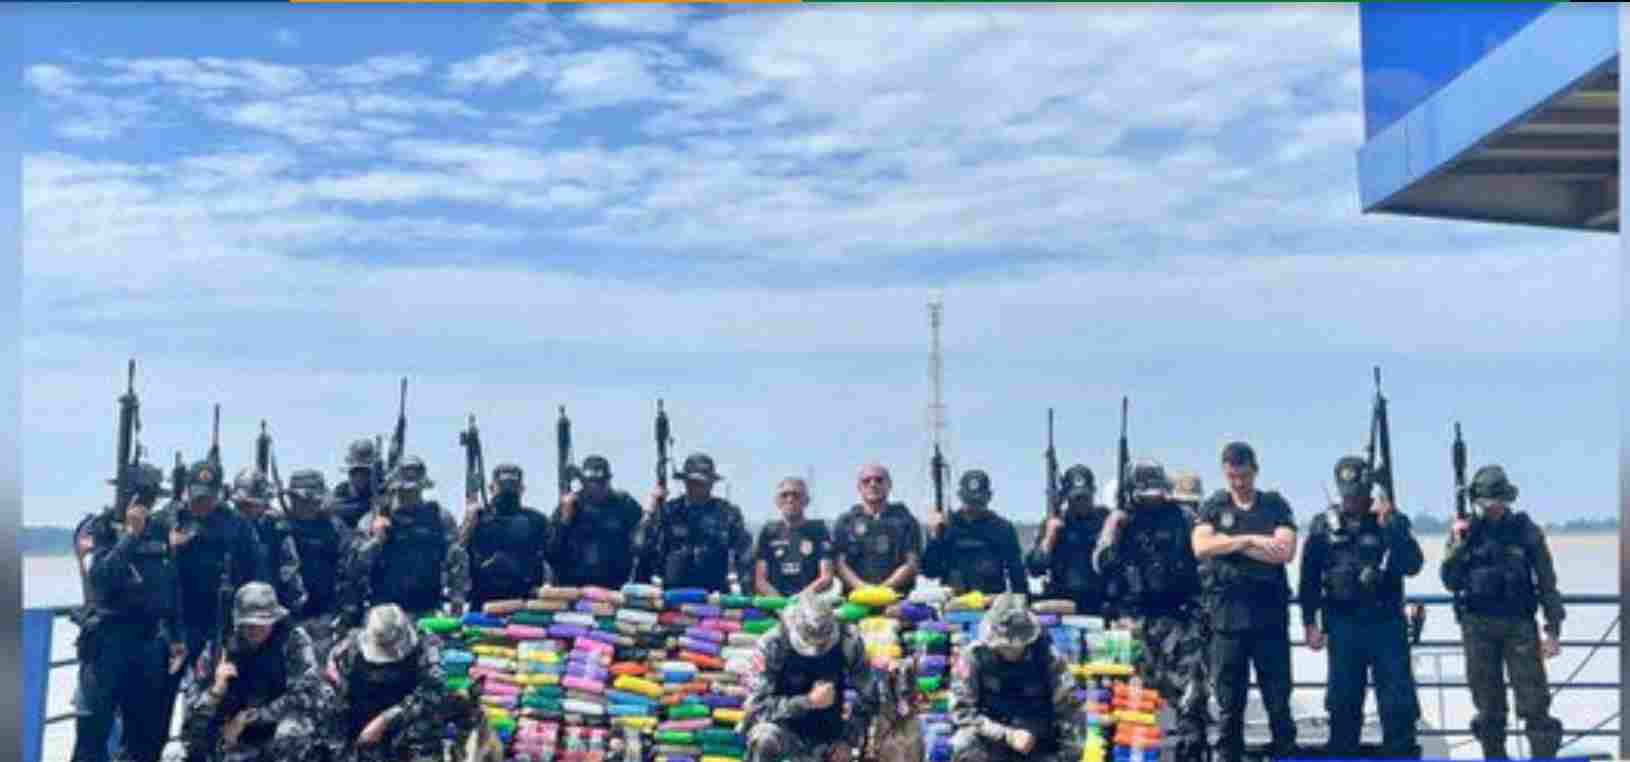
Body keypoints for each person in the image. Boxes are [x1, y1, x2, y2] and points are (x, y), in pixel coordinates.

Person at [1298, 455, 1425, 759]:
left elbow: (1412, 565)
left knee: (1397, 708)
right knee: (1343, 706)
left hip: (1386, 626)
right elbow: (1309, 579)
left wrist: (1391, 525)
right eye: (1346, 495)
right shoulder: (1323, 525)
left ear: (1368, 491)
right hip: (1343, 627)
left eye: (1356, 495)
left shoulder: (1391, 520)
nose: (1350, 501)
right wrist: (1309, 622)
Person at [1441, 464, 1566, 759]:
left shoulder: (1525, 531)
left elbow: (1547, 582)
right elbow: (1449, 580)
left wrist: (1553, 629)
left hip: (1519, 625)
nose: (1492, 509)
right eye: (1486, 503)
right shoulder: (1466, 532)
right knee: (1488, 706)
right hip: (1478, 627)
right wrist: (1458, 544)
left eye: (1496, 502)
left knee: (1534, 702)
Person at [1093, 459, 1209, 762]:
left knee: (1192, 699)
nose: (1152, 498)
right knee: (1132, 704)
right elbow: (1101, 564)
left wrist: (1199, 615)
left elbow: (1204, 565)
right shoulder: (1122, 521)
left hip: (1178, 619)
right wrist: (1112, 526)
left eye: (1157, 491)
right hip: (1133, 622)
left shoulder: (1182, 517)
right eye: (1146, 492)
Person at [1191, 441, 1297, 762]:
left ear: (1255, 470)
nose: (1238, 483)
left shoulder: (1274, 505)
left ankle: (1284, 755)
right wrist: (1251, 540)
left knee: (1278, 702)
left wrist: (1228, 543)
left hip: (1269, 621)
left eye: (1244, 475)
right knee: (1229, 705)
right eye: (1232, 476)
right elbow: (1201, 547)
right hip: (1227, 621)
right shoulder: (1215, 505)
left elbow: (1284, 552)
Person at [71, 462, 185, 762]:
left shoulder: (160, 530)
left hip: (147, 645)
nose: (146, 503)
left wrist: (176, 635)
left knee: (142, 740)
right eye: (141, 495)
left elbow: (170, 585)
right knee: (92, 736)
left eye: (151, 497)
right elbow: (100, 579)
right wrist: (130, 535)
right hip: (106, 644)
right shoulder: (100, 528)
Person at [162, 460, 271, 744]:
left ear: (219, 494)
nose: (201, 504)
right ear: (186, 491)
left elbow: (258, 579)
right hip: (172, 630)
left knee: (209, 704)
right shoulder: (168, 520)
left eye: (208, 498)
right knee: (155, 710)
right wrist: (167, 546)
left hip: (217, 630)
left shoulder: (237, 526)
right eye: (196, 497)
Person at [180, 582, 330, 762]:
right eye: (248, 623)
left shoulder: (293, 639)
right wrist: (216, 690)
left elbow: (306, 696)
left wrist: (249, 718)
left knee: (291, 733)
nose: (255, 629)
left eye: (263, 623)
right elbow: (191, 717)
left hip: (275, 721)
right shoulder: (219, 648)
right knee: (194, 743)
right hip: (233, 728)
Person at [741, 591, 879, 762]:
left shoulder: (848, 640)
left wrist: (848, 740)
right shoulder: (772, 644)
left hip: (829, 735)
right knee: (764, 738)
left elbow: (869, 696)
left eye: (822, 645)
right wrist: (808, 702)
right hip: (784, 731)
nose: (817, 651)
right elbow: (756, 709)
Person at [949, 592, 1080, 762]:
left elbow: (1070, 710)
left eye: (1017, 647)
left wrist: (1067, 753)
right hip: (993, 738)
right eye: (1004, 647)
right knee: (964, 742)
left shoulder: (1048, 658)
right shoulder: (974, 657)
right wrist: (1007, 735)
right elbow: (962, 712)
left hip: (1038, 741)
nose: (1011, 652)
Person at [340, 456, 469, 625]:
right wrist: (376, 540)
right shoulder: (372, 519)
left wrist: (457, 598)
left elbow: (457, 559)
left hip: (428, 611)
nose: (409, 496)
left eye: (414, 491)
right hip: (384, 613)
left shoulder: (440, 518)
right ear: (393, 488)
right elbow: (353, 567)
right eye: (403, 491)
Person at [324, 604, 452, 762]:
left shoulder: (427, 646)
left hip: (409, 725)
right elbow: (335, 702)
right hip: (362, 728)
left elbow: (434, 693)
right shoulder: (349, 650)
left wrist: (386, 719)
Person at [635, 453, 753, 592]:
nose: (696, 487)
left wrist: (745, 590)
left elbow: (745, 555)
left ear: (711, 483)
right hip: (672, 595)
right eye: (692, 482)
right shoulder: (669, 511)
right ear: (685, 482)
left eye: (701, 483)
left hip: (714, 595)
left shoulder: (727, 513)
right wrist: (649, 513)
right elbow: (639, 547)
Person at [282, 469, 354, 660]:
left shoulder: (335, 528)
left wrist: (343, 612)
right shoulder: (279, 526)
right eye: (297, 500)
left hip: (326, 617)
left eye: (310, 501)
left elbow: (349, 570)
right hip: (287, 616)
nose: (305, 506)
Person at [463, 463, 552, 610]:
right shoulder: (477, 518)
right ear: (491, 488)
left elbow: (554, 557)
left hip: (524, 603)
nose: (508, 490)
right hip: (484, 603)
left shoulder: (537, 520)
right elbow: (458, 555)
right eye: (503, 486)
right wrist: (468, 523)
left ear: (521, 489)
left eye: (513, 485)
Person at [923, 470, 1026, 596]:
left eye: (978, 501)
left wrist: (1020, 600)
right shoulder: (946, 527)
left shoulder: (1003, 528)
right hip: (954, 601)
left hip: (990, 600)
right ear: (960, 496)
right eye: (969, 501)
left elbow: (1017, 574)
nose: (973, 507)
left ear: (989, 497)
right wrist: (934, 537)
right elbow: (930, 572)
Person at [547, 455, 645, 588]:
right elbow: (552, 551)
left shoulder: (624, 503)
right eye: (591, 482)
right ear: (583, 482)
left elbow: (642, 538)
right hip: (574, 587)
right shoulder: (570, 505)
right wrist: (565, 520)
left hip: (614, 587)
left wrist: (650, 513)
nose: (596, 487)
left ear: (608, 480)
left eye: (601, 482)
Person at [1026, 464, 1110, 617]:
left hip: (1099, 601)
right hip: (1062, 600)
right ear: (1066, 497)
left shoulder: (1106, 519)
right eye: (1076, 498)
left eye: (1085, 497)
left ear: (1093, 491)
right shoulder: (1054, 522)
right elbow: (1035, 568)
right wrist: (1050, 535)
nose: (1081, 503)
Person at [831, 463, 922, 594]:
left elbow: (911, 563)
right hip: (855, 598)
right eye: (866, 481)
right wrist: (864, 590)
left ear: (889, 485)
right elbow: (840, 564)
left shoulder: (906, 521)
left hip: (896, 598)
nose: (872, 484)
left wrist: (882, 590)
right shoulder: (845, 522)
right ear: (859, 487)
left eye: (879, 480)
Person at [231, 467, 309, 616]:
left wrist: (293, 608)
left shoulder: (276, 530)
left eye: (250, 505)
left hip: (268, 609)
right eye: (240, 505)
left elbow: (289, 571)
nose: (244, 510)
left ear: (263, 504)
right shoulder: (228, 527)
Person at [753, 477, 834, 597]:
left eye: (796, 495)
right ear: (777, 501)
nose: (790, 499)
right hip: (775, 602)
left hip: (809, 602)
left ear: (806, 501)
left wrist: (798, 600)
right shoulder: (768, 532)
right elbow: (759, 580)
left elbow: (826, 577)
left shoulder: (819, 530)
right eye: (784, 495)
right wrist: (780, 602)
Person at [330, 439, 382, 530]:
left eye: (365, 472)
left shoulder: (381, 487)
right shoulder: (342, 489)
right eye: (356, 472)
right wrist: (366, 505)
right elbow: (334, 508)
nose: (360, 476)